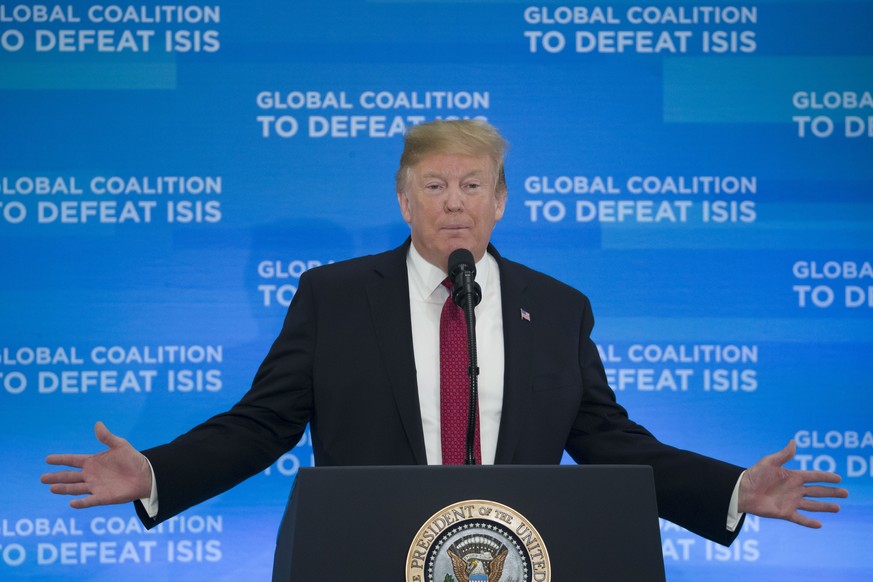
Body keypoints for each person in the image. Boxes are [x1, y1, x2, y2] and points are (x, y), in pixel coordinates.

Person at [42, 119, 847, 547]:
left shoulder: (557, 306)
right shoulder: (334, 295)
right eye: (433, 184)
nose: (453, 202)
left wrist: (731, 490)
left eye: (471, 184)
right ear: (403, 200)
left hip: (519, 557)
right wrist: (155, 473)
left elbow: (605, 439)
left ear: (500, 201)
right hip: (363, 555)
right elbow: (263, 424)